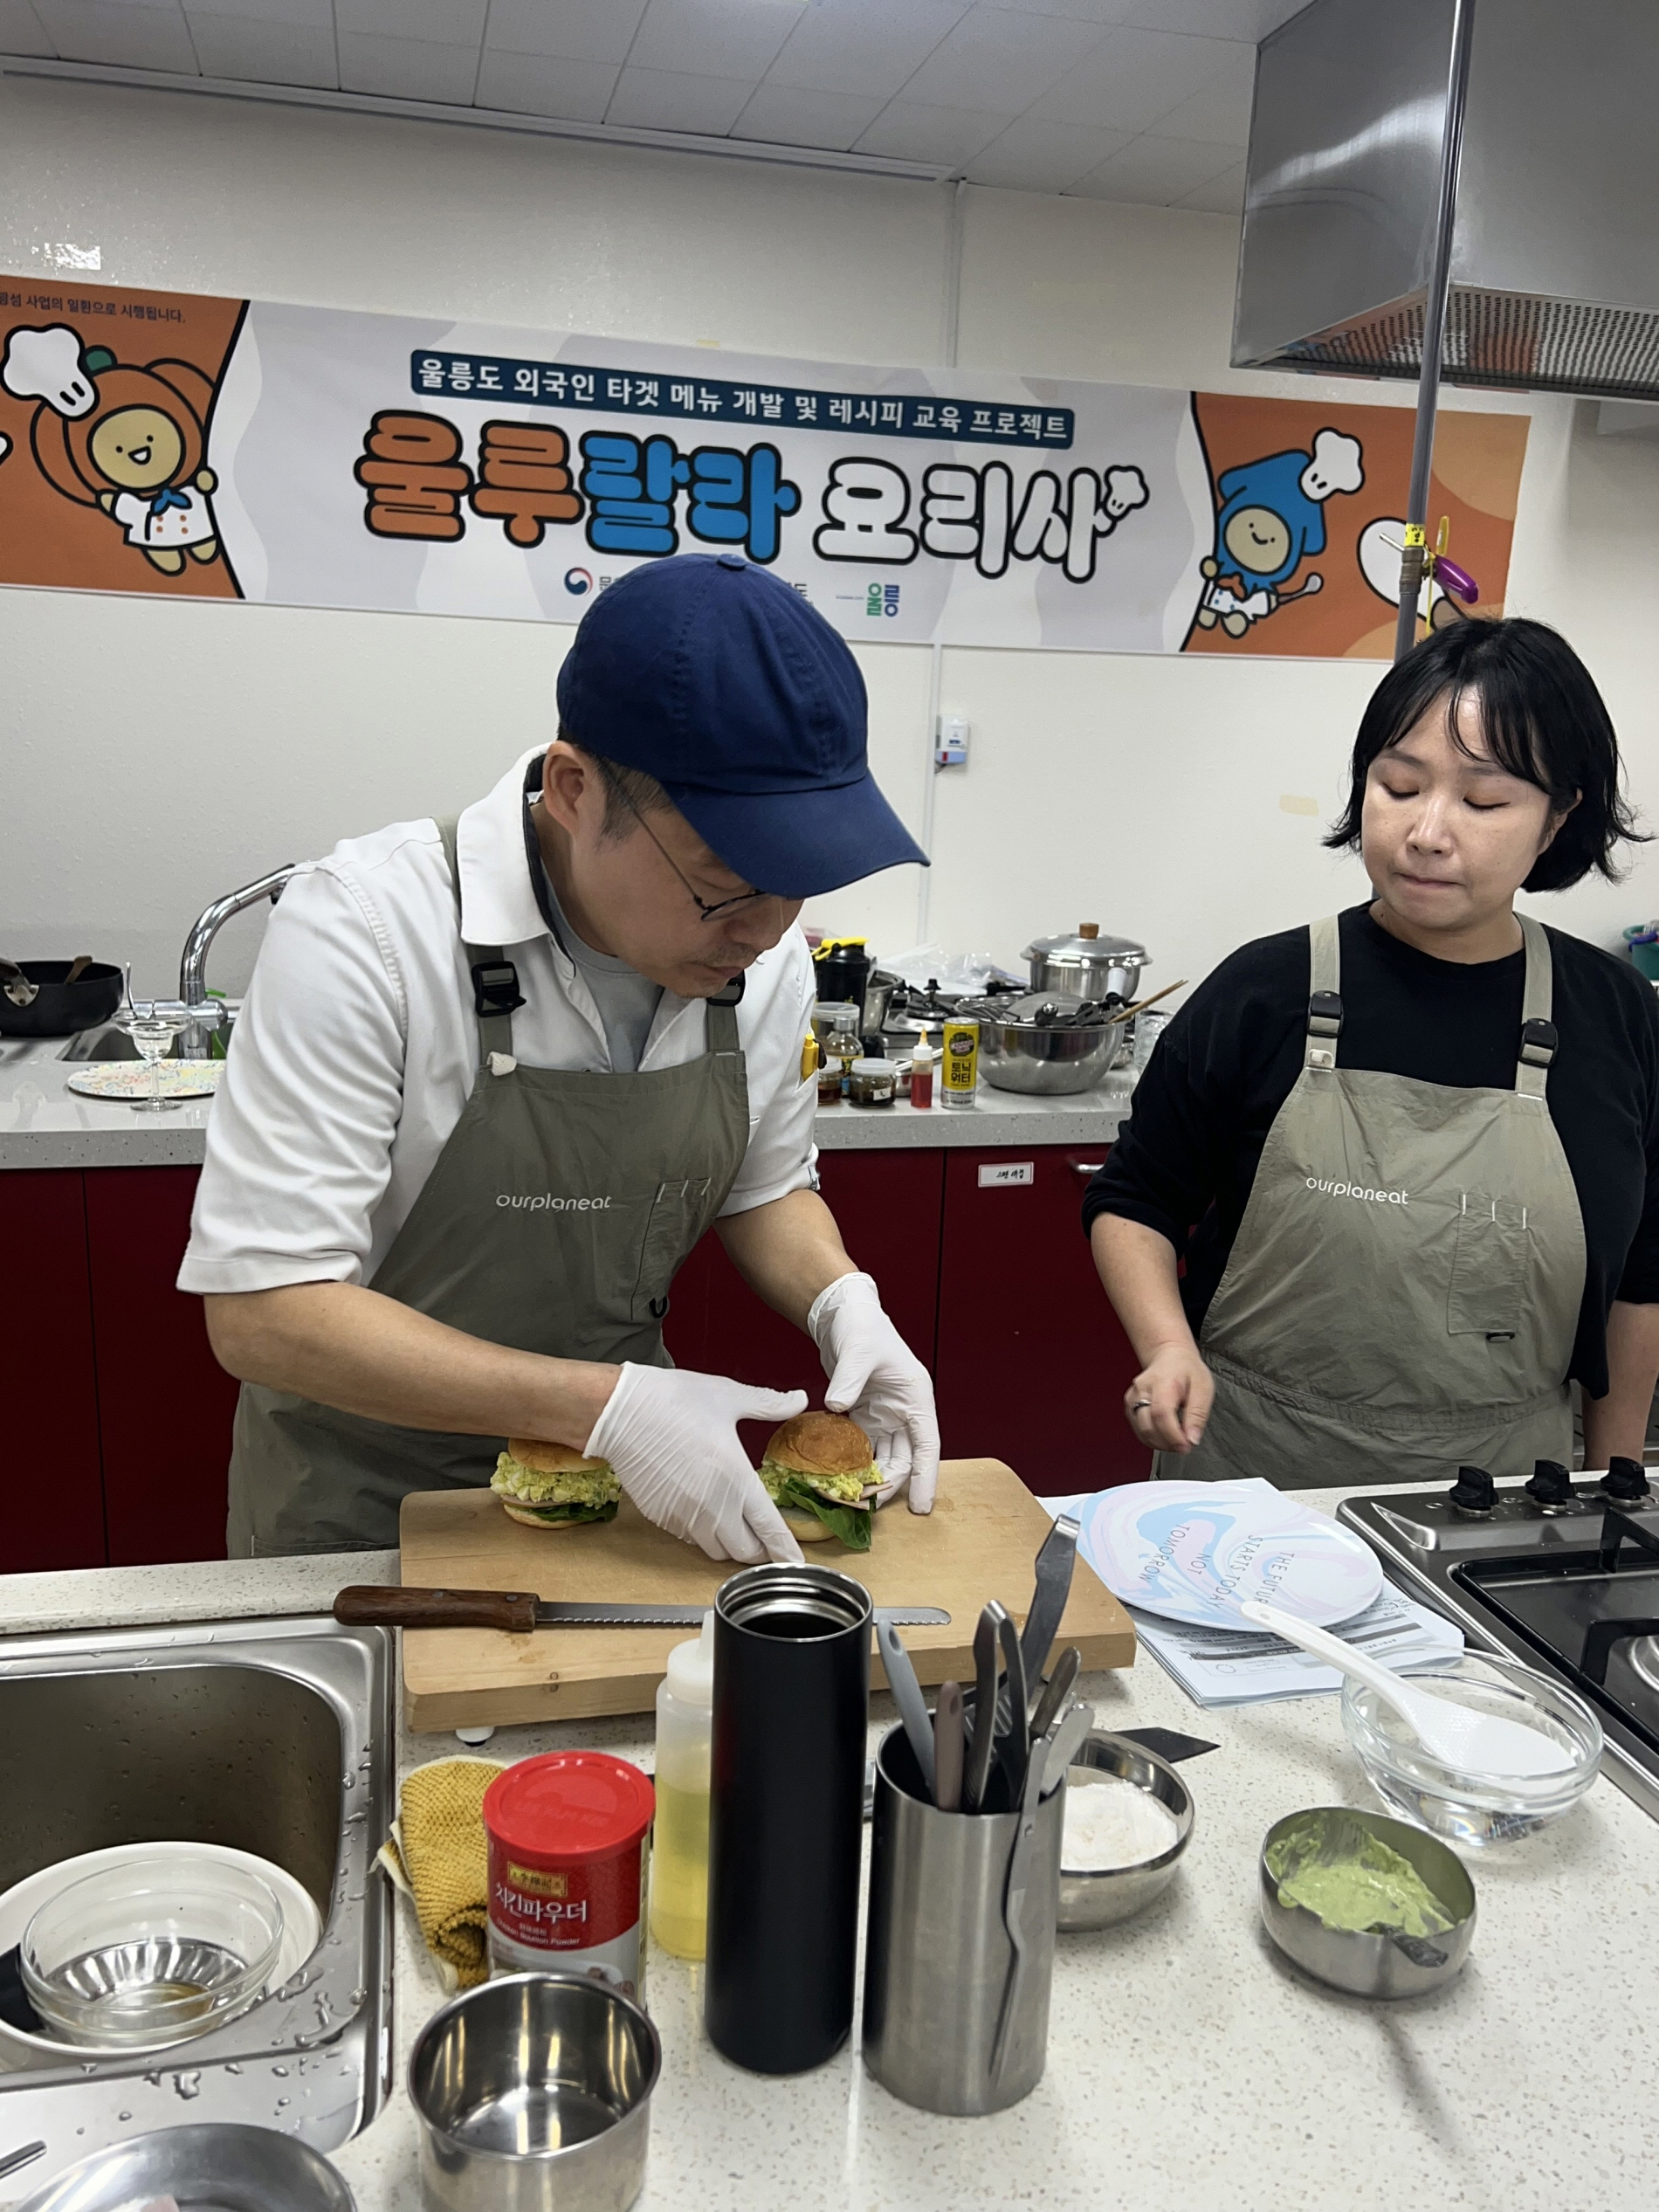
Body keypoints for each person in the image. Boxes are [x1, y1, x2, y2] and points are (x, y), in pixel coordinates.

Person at [180, 553, 940, 1560]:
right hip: (366, 1509)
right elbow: (265, 1312)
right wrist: (607, 1406)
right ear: (576, 790)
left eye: (799, 879)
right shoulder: (369, 928)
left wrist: (842, 1299)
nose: (765, 931)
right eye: (726, 882)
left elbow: (761, 1189)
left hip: (627, 1498)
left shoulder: (762, 957)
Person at [1086, 617, 1659, 1488]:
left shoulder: (1614, 1016)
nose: (1427, 831)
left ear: (1558, 817)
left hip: (1501, 1500)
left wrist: (1612, 1487)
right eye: (1399, 785)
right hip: (1248, 1485)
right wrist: (1167, 1347)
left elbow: (1640, 1279)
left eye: (1482, 802)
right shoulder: (1263, 991)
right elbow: (1135, 1198)